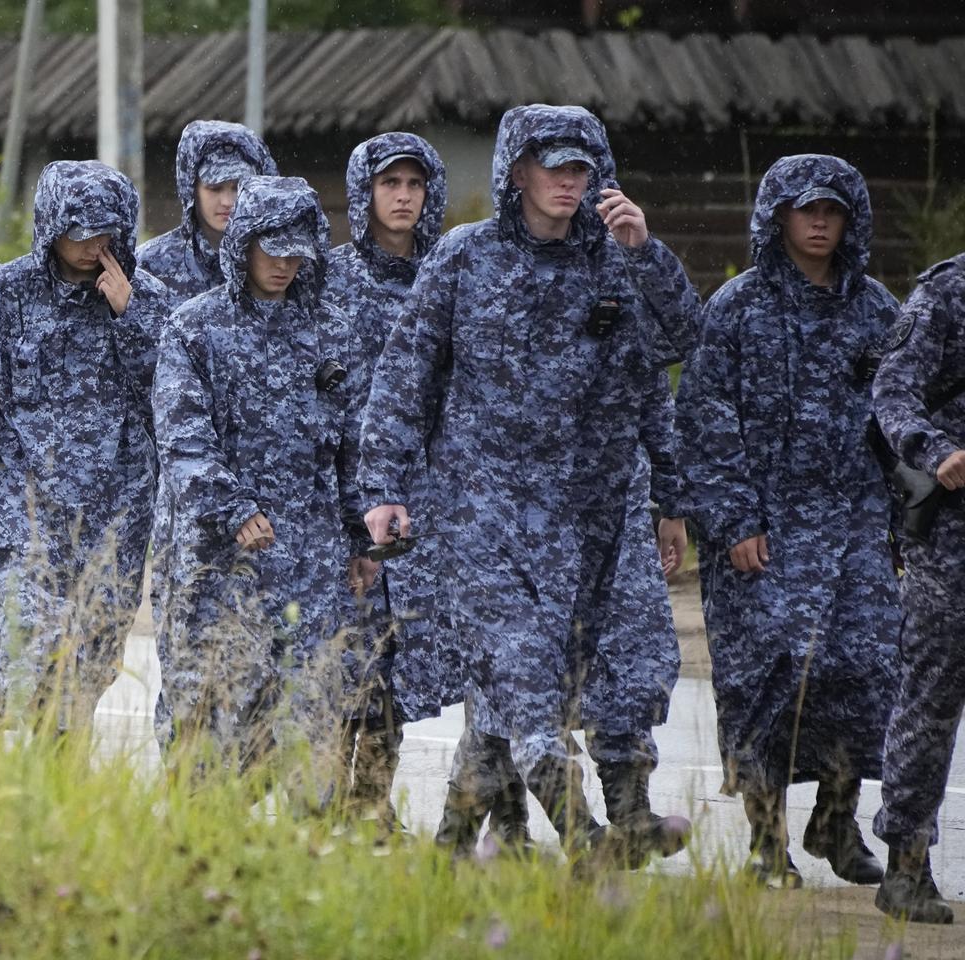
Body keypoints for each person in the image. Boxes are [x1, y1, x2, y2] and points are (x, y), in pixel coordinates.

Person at [358, 104, 700, 861]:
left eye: (582, 167)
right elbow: (402, 377)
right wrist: (382, 491)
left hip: (591, 518)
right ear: (517, 171)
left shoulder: (616, 258)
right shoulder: (464, 257)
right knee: (518, 677)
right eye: (554, 165)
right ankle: (584, 838)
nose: (569, 180)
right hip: (484, 512)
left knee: (561, 683)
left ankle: (451, 849)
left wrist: (646, 253)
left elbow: (680, 352)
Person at [680, 154, 901, 888]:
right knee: (766, 678)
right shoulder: (737, 309)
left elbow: (902, 420)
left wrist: (901, 527)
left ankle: (837, 821)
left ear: (850, 221)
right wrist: (734, 519)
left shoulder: (878, 312)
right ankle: (765, 841)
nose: (818, 222)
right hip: (762, 532)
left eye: (832, 211)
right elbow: (706, 423)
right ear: (777, 217)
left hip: (854, 531)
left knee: (865, 672)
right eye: (805, 209)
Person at [0, 159, 169, 730]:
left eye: (103, 234)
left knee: (87, 667)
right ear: (51, 227)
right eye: (78, 233)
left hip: (115, 513)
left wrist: (128, 315)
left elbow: (172, 397)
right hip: (23, 511)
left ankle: (58, 786)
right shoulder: (5, 294)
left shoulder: (148, 299)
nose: (91, 247)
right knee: (20, 658)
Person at [152, 174, 370, 794]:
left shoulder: (332, 327)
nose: (282, 263)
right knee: (215, 716)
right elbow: (182, 436)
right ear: (243, 243)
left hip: (312, 554)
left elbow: (354, 443)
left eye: (296, 249)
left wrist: (360, 536)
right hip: (222, 560)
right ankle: (202, 853)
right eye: (270, 248)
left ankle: (307, 855)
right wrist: (230, 506)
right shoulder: (195, 328)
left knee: (311, 710)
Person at [323, 132, 458, 831]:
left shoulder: (449, 273)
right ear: (364, 194)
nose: (403, 197)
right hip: (351, 496)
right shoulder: (332, 279)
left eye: (415, 184)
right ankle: (334, 802)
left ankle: (370, 802)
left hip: (431, 498)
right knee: (353, 655)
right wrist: (350, 516)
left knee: (401, 658)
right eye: (389, 184)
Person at [870, 247, 965, 925]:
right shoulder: (948, 292)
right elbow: (893, 389)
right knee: (931, 694)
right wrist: (933, 449)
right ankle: (905, 864)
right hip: (952, 533)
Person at [136, 120, 278, 304]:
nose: (227, 202)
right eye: (215, 188)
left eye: (238, 188)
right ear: (191, 190)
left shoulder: (282, 264)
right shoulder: (149, 264)